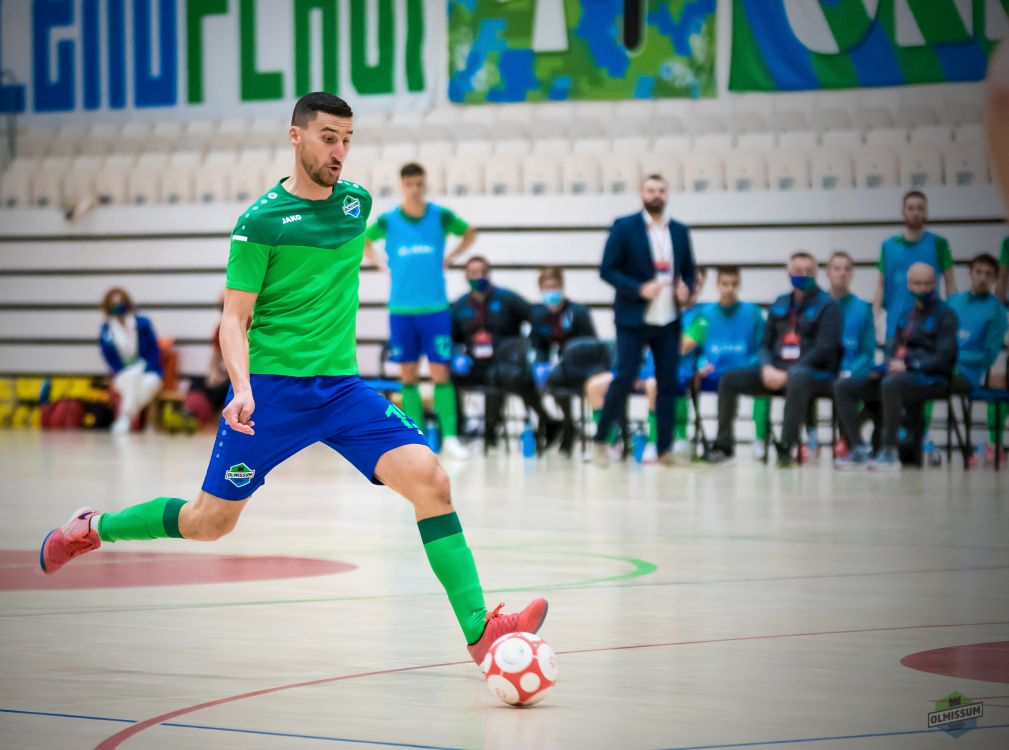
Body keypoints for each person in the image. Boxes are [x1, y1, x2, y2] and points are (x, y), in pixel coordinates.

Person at [40, 93, 547, 667]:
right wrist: (242, 388)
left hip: (341, 390)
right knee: (209, 523)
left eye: (347, 140)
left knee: (432, 482)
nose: (339, 151)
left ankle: (481, 630)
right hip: (271, 394)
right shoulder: (259, 223)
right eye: (328, 138)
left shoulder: (356, 204)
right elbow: (233, 319)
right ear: (295, 136)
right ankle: (94, 527)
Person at [364, 162, 477, 460]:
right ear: (402, 185)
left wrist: (451, 257)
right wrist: (380, 265)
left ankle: (450, 437)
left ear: (425, 184)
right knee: (408, 375)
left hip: (436, 309)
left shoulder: (440, 216)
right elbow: (364, 240)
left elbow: (469, 233)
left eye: (419, 184)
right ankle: (416, 439)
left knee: (441, 372)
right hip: (401, 310)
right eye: (409, 184)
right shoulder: (388, 220)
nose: (414, 189)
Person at [592, 174, 696, 468]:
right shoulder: (624, 226)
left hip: (669, 317)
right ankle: (600, 440)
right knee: (624, 376)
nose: (656, 195)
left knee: (667, 382)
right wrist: (638, 288)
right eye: (651, 190)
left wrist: (686, 288)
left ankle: (664, 448)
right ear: (641, 193)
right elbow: (607, 269)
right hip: (633, 317)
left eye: (661, 190)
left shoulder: (679, 231)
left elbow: (689, 271)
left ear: (667, 193)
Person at [705, 252, 841, 467]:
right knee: (729, 379)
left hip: (814, 375)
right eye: (798, 271)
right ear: (789, 273)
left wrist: (787, 373)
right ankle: (723, 446)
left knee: (797, 377)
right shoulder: (780, 302)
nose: (803, 275)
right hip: (776, 371)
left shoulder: (828, 305)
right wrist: (767, 367)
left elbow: (825, 349)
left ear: (816, 274)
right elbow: (766, 344)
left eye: (808, 271)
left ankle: (786, 447)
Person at [835, 263, 959, 472]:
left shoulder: (946, 315)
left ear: (935, 284)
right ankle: (859, 448)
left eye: (927, 284)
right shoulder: (905, 316)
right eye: (917, 284)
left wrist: (910, 365)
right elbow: (896, 353)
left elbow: (944, 358)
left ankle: (890, 453)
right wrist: (882, 369)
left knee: (891, 384)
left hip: (933, 379)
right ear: (909, 285)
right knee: (844, 387)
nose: (922, 289)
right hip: (900, 375)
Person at [451, 256, 552, 449]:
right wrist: (456, 355)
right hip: (474, 363)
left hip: (504, 362)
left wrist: (526, 347)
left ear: (489, 274)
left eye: (483, 272)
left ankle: (492, 429)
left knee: (502, 375)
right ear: (466, 276)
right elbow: (452, 338)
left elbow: (536, 317)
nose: (479, 277)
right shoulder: (460, 305)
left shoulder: (507, 298)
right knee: (447, 376)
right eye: (474, 273)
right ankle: (458, 430)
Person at [680, 266, 766, 459]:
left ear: (739, 285)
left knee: (763, 385)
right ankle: (686, 439)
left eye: (734, 284)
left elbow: (763, 347)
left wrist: (753, 366)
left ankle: (760, 439)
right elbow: (695, 346)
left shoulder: (753, 313)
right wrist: (700, 366)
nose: (729, 289)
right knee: (684, 380)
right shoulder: (705, 314)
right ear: (717, 285)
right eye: (725, 284)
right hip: (713, 373)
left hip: (745, 372)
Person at [947, 254, 1009, 462]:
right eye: (979, 272)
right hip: (943, 368)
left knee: (928, 383)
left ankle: (971, 449)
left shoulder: (997, 311)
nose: (982, 278)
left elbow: (989, 355)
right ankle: (913, 442)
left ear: (995, 279)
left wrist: (954, 360)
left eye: (988, 274)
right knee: (913, 380)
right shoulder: (954, 302)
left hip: (969, 375)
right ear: (970, 274)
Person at [529, 267, 597, 455]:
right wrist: (539, 363)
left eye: (555, 286)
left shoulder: (578, 312)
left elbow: (591, 343)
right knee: (526, 379)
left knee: (556, 379)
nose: (551, 291)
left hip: (578, 366)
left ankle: (568, 425)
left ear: (562, 286)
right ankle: (553, 422)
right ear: (541, 289)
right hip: (553, 366)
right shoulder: (538, 315)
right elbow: (537, 344)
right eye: (547, 287)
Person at [873, 191, 957, 340]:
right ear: (903, 211)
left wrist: (953, 319)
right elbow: (880, 285)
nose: (915, 213)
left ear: (926, 212)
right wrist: (873, 320)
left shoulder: (939, 243)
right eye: (911, 208)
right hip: (895, 329)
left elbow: (951, 283)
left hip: (930, 329)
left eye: (920, 208)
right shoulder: (888, 246)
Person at [822, 251, 877, 455]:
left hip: (853, 373)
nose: (842, 273)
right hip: (823, 373)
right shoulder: (817, 306)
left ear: (852, 273)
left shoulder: (863, 308)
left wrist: (850, 372)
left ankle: (851, 441)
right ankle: (812, 441)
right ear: (828, 273)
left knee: (880, 391)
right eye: (837, 268)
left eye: (847, 269)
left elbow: (868, 352)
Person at [98, 287, 163, 435]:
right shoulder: (106, 331)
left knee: (150, 383)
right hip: (123, 374)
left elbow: (154, 350)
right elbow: (109, 359)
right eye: (114, 303)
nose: (118, 306)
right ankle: (127, 418)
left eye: (121, 302)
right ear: (108, 306)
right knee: (131, 377)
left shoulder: (143, 324)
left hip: (147, 371)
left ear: (127, 303)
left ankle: (124, 418)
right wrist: (127, 371)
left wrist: (146, 367)